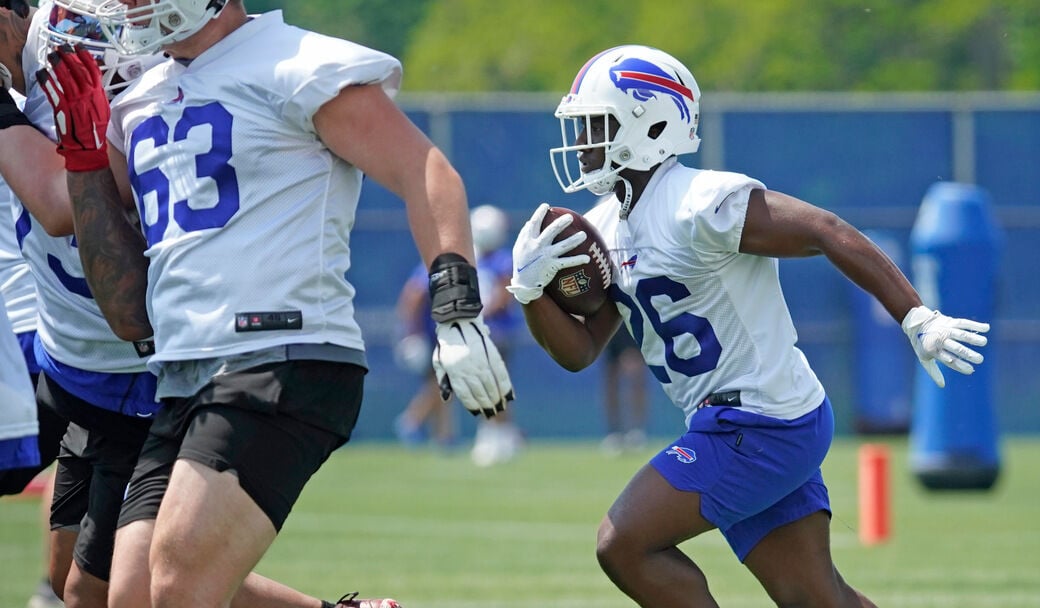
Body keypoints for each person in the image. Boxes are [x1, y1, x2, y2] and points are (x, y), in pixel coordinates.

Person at [38, 2, 513, 607]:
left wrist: (456, 310)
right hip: (183, 377)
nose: (130, 5)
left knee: (179, 582)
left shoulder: (294, 62)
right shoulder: (137, 100)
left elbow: (424, 169)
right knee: (123, 593)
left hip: (280, 354)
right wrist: (84, 163)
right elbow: (127, 310)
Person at [508, 44, 989, 607]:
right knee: (816, 599)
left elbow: (825, 230)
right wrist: (527, 290)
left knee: (624, 544)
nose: (584, 142)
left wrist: (916, 315)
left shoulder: (700, 203)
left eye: (596, 123)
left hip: (761, 421)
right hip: (752, 420)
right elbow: (581, 350)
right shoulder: (607, 225)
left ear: (649, 122)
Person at [467, 204, 523, 467]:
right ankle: (497, 433)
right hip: (479, 330)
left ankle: (497, 434)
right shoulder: (472, 259)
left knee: (494, 384)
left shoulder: (502, 261)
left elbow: (503, 297)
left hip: (496, 331)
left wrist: (476, 312)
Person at [392, 261, 457, 449]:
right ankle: (412, 420)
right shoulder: (433, 267)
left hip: (439, 336)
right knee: (443, 382)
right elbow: (413, 297)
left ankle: (444, 436)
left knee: (442, 385)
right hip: (430, 338)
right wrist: (412, 333)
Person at [599, 329, 649, 456]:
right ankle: (614, 433)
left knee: (635, 371)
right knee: (611, 378)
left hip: (629, 319)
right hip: (608, 320)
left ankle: (636, 432)